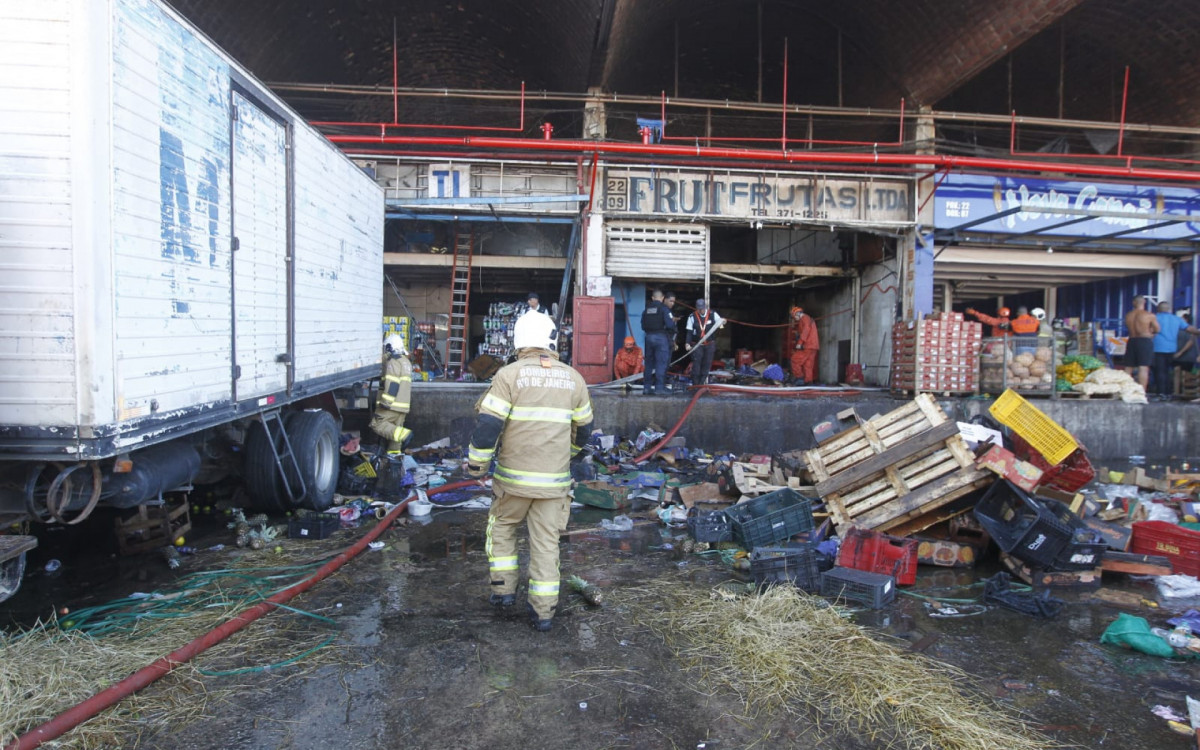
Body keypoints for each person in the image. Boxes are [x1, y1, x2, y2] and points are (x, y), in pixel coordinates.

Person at [465, 312, 593, 632]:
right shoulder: (574, 378)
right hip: (554, 485)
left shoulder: (508, 376)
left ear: (519, 340)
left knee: (503, 530)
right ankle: (544, 612)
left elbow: (488, 426)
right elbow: (585, 431)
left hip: (513, 483)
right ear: (551, 339)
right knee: (546, 544)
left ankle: (504, 592)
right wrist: (569, 456)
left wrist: (476, 465)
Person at [368, 333, 414, 454]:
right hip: (403, 406)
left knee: (377, 424)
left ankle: (405, 434)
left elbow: (393, 384)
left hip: (392, 405)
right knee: (395, 438)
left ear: (389, 347)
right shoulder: (406, 362)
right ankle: (394, 462)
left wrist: (386, 402)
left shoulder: (393, 361)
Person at [1154, 302, 1200, 398]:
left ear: (1158, 309)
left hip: (1157, 348)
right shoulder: (1176, 319)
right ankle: (1168, 393)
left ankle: (1161, 393)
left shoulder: (1154, 318)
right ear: (1169, 309)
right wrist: (1197, 332)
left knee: (1160, 371)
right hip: (1171, 349)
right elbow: (1189, 328)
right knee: (1167, 371)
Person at [640, 290, 676, 395]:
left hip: (648, 337)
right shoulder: (664, 309)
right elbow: (670, 325)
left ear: (652, 298)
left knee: (649, 363)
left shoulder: (646, 310)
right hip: (660, 338)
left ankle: (646, 388)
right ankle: (659, 388)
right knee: (661, 363)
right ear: (662, 298)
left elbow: (643, 326)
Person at [685, 298, 725, 386]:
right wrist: (687, 343)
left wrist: (723, 322)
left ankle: (701, 384)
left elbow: (721, 323)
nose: (700, 311)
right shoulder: (692, 317)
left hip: (710, 344)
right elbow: (689, 332)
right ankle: (695, 385)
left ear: (705, 307)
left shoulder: (713, 314)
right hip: (697, 345)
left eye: (702, 308)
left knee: (706, 365)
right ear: (696, 308)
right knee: (696, 365)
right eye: (698, 309)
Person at [1124, 295, 1159, 391]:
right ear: (1144, 302)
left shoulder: (1128, 315)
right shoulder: (1149, 315)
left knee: (1128, 367)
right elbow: (1157, 329)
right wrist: (1151, 333)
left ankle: (1125, 390)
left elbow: (1127, 326)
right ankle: (1141, 392)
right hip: (1144, 341)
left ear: (1133, 303)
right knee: (1143, 367)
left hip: (1132, 340)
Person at [788, 306, 819, 385]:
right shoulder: (808, 318)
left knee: (794, 360)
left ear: (797, 314)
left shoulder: (804, 318)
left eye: (794, 316)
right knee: (808, 365)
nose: (794, 318)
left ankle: (799, 378)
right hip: (813, 346)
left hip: (807, 345)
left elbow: (806, 330)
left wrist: (800, 343)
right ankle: (808, 382)